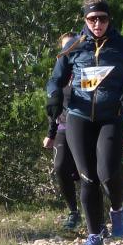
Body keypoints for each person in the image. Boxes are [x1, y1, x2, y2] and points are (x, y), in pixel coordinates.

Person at [47, 0, 123, 245]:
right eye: (92, 19)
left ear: (108, 19)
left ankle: (117, 208)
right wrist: (54, 96)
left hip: (110, 117)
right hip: (78, 116)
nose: (97, 24)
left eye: (102, 18)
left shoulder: (122, 45)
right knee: (87, 177)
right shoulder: (73, 46)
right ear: (85, 20)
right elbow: (55, 80)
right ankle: (94, 236)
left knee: (106, 171)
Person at [43, 33, 81, 230]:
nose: (69, 50)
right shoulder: (57, 78)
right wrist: (50, 133)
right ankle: (73, 212)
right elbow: (53, 107)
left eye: (73, 46)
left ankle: (99, 212)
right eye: (65, 47)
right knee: (60, 166)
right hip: (63, 127)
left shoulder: (85, 69)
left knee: (87, 171)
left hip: (85, 126)